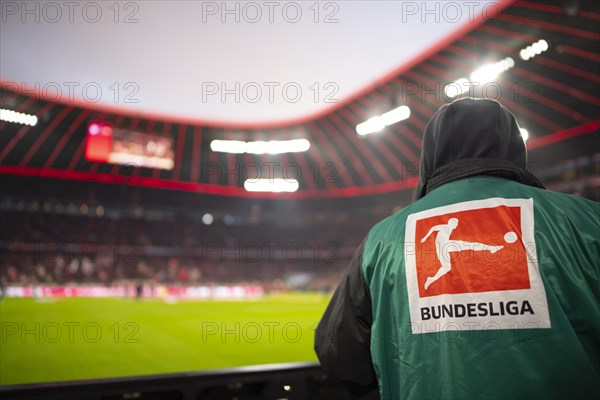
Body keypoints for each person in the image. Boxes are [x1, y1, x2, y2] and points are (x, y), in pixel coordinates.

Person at [314, 98, 600, 399]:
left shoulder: (382, 240)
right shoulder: (587, 221)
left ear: (430, 157)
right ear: (516, 149)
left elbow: (338, 353)